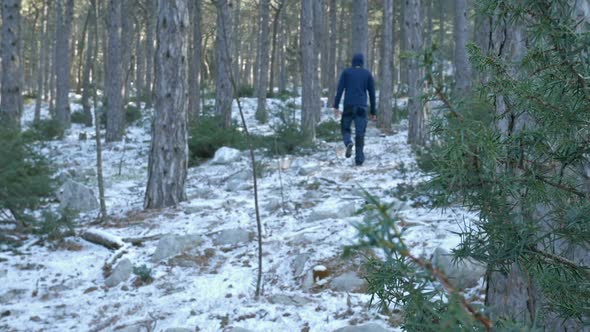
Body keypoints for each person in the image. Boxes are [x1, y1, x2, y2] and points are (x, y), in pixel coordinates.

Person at [332, 53, 376, 166]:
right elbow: (372, 94)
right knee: (360, 133)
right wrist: (373, 112)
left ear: (353, 62)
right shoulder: (367, 74)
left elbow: (340, 90)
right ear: (362, 62)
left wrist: (336, 106)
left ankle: (348, 143)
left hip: (348, 106)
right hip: (361, 107)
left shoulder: (346, 73)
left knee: (345, 129)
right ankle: (359, 159)